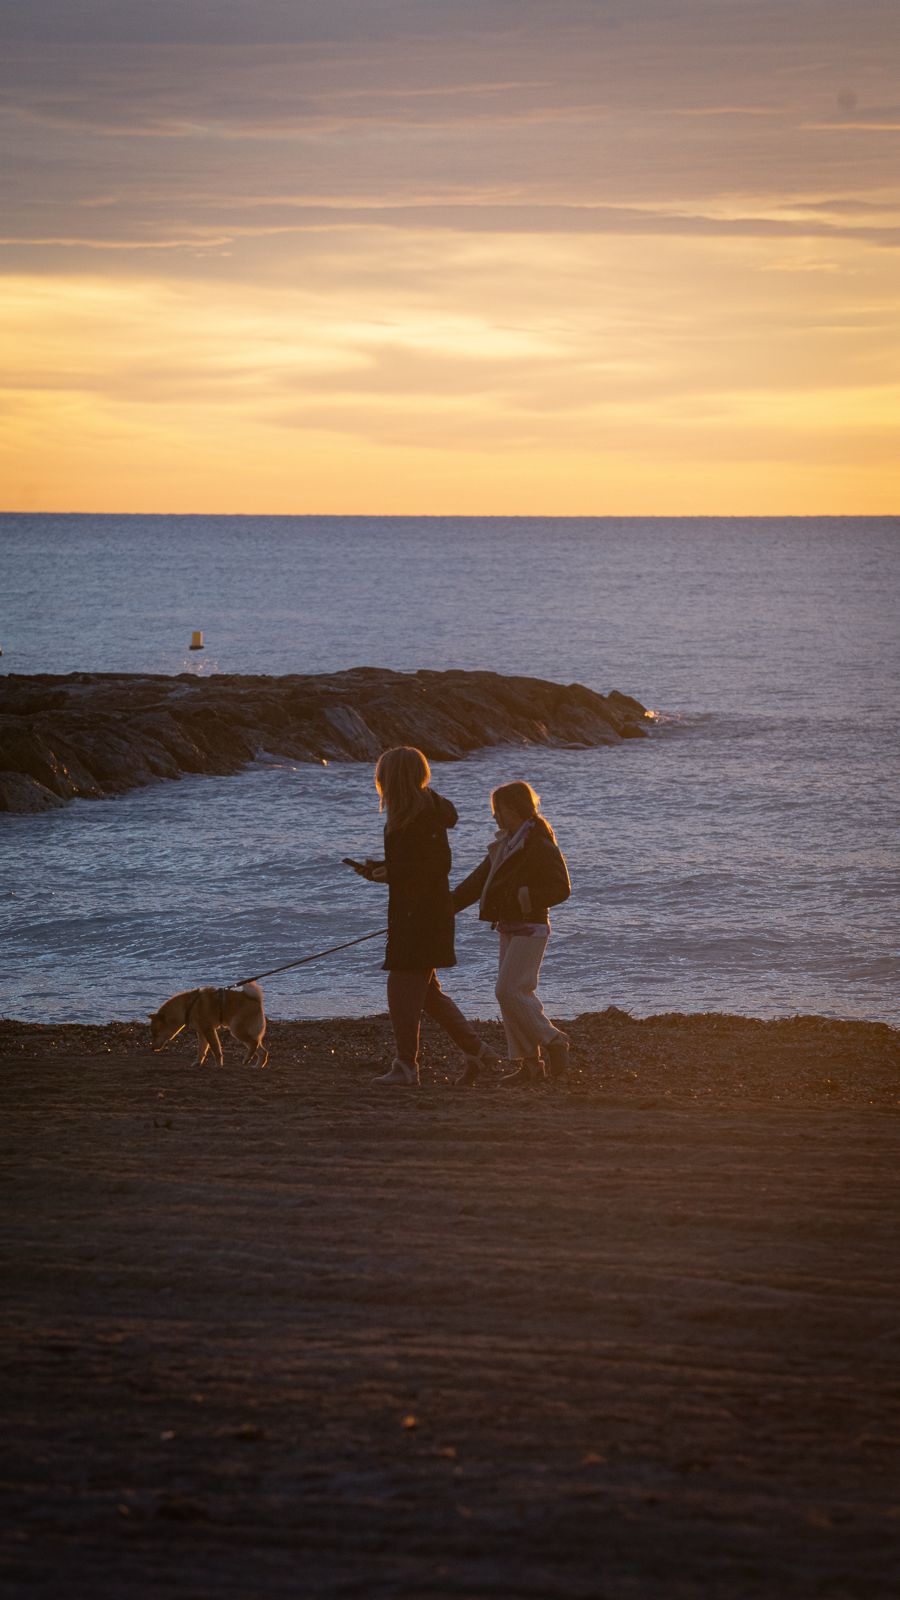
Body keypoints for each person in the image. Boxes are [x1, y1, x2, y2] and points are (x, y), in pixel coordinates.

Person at [355, 745, 496, 1087]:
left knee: (402, 988)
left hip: (423, 918)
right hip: (413, 913)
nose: (380, 782)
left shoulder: (422, 814)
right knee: (427, 994)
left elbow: (437, 867)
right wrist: (382, 870)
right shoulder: (412, 812)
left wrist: (394, 872)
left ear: (394, 778)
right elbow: (416, 867)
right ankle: (480, 1054)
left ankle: (406, 1066)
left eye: (383, 776)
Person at [452, 780, 571, 1085]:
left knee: (509, 991)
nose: (494, 816)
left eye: (498, 809)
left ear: (514, 808)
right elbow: (475, 885)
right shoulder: (505, 845)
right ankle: (530, 1066)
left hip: (532, 926)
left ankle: (554, 1040)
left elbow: (561, 888)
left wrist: (526, 897)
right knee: (511, 994)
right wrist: (442, 908)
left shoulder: (539, 843)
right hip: (508, 926)